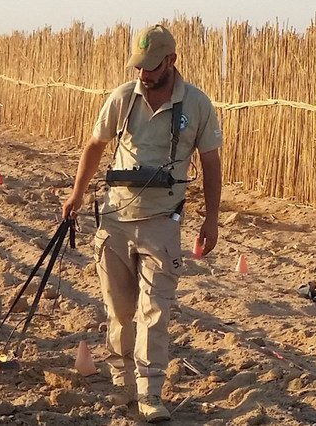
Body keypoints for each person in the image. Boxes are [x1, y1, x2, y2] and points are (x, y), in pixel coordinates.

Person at [61, 24, 222, 422]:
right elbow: (94, 146)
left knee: (155, 311)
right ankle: (122, 385)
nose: (144, 75)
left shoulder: (198, 106)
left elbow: (212, 162)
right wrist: (76, 194)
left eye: (152, 67)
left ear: (172, 61)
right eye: (139, 67)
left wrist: (212, 218)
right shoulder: (121, 98)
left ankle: (150, 392)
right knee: (119, 309)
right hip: (114, 220)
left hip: (161, 224)